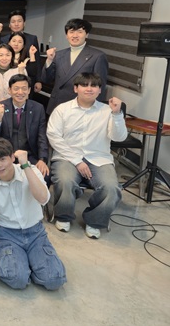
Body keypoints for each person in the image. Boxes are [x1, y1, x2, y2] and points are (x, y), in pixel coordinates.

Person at [0, 138, 66, 291]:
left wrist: (25, 165)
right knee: (17, 279)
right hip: (6, 235)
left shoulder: (30, 170)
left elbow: (43, 199)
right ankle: (13, 257)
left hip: (35, 233)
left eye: (2, 159)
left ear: (13, 157)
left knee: (55, 280)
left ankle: (28, 262)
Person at [48, 73, 127, 239]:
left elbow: (119, 137)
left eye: (94, 85)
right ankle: (64, 216)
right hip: (67, 156)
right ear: (76, 88)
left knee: (112, 188)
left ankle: (95, 220)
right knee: (65, 180)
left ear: (100, 90)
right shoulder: (62, 109)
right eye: (84, 85)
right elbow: (53, 136)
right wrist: (77, 161)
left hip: (99, 158)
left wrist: (117, 114)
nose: (89, 89)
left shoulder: (107, 111)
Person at [42, 18, 109, 115]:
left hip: (81, 108)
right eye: (71, 32)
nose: (75, 35)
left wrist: (94, 112)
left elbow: (99, 88)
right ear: (66, 35)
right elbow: (46, 79)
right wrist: (49, 60)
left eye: (80, 32)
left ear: (87, 34)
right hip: (57, 105)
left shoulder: (97, 56)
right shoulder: (58, 55)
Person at [0, 74, 50, 176]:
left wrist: (42, 159)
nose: (20, 92)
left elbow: (42, 136)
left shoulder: (38, 108)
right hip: (5, 156)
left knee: (45, 175)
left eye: (24, 89)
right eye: (16, 88)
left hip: (29, 155)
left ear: (29, 90)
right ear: (9, 90)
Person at [0, 10, 42, 92]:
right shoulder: (4, 39)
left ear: (24, 23)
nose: (16, 24)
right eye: (13, 22)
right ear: (9, 25)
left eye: (19, 21)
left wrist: (38, 80)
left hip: (28, 77)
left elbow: (37, 60)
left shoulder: (32, 38)